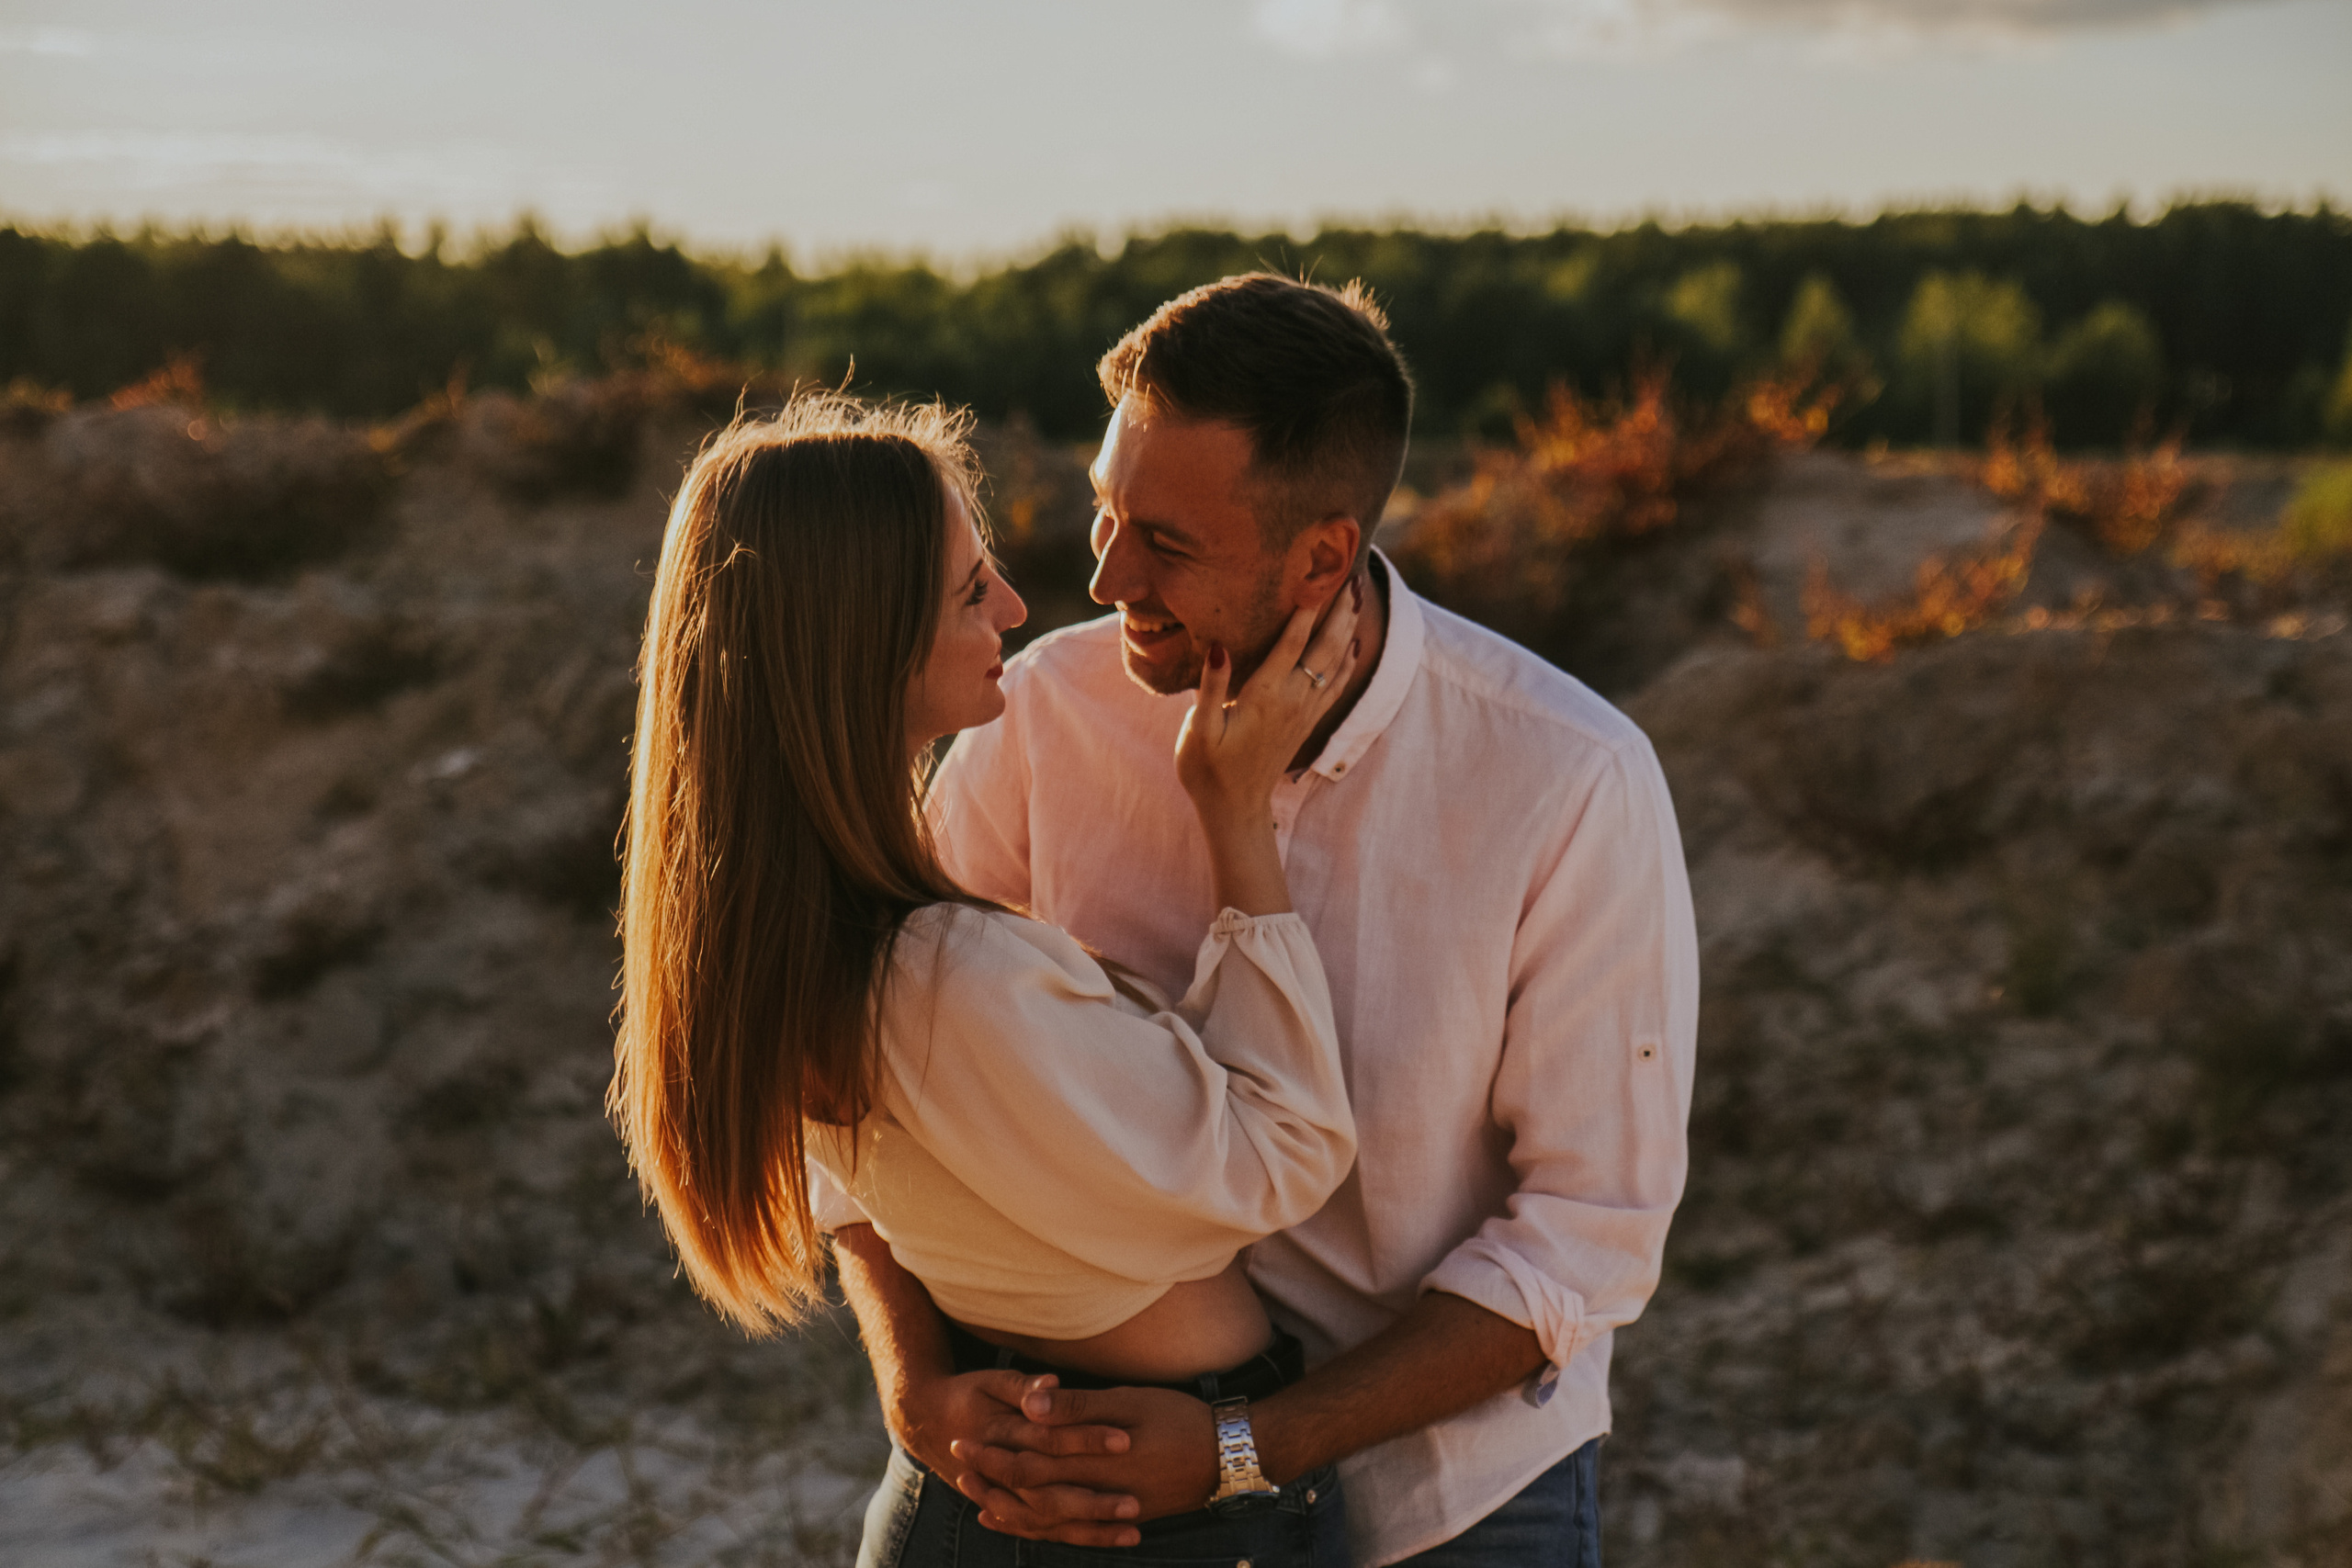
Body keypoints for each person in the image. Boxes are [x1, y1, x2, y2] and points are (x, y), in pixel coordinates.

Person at [823, 274, 1701, 1566]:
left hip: (1453, 1500)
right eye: (1105, 512)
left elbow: (1587, 1233)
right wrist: (915, 1385)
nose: (1104, 574)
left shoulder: (1570, 777)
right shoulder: (1043, 713)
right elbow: (861, 1072)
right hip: (1099, 1485)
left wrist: (1251, 1444)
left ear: (1322, 557)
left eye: (1165, 543)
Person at [607, 393, 1369, 1567]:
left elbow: (848, 1191)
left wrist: (913, 1383)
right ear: (860, 643)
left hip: (1000, 1496)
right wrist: (1234, 812)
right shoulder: (939, 976)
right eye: (970, 591)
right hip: (1143, 1525)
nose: (1015, 609)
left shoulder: (804, 940)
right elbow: (1289, 1152)